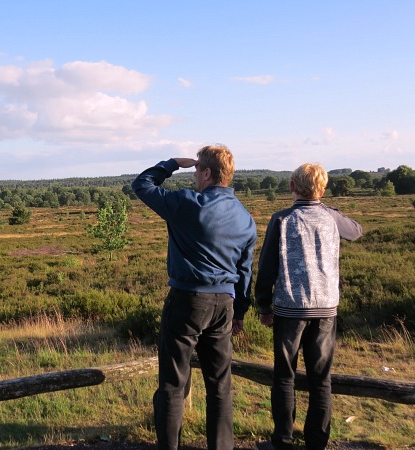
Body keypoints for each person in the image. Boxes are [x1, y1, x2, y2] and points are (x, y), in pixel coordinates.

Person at [132, 144, 257, 450]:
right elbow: (245, 271)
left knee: (173, 384)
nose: (195, 177)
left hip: (188, 299)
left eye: (197, 170)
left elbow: (142, 184)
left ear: (206, 173)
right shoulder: (244, 217)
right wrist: (239, 312)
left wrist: (172, 163)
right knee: (219, 385)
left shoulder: (187, 203)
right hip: (224, 304)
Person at [255, 163, 363, 450]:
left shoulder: (282, 219)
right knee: (320, 379)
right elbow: (356, 230)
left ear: (291, 186)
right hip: (326, 308)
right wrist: (328, 208)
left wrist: (263, 306)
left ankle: (283, 440)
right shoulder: (331, 217)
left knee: (284, 377)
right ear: (323, 188)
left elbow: (266, 267)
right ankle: (317, 443)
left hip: (289, 309)